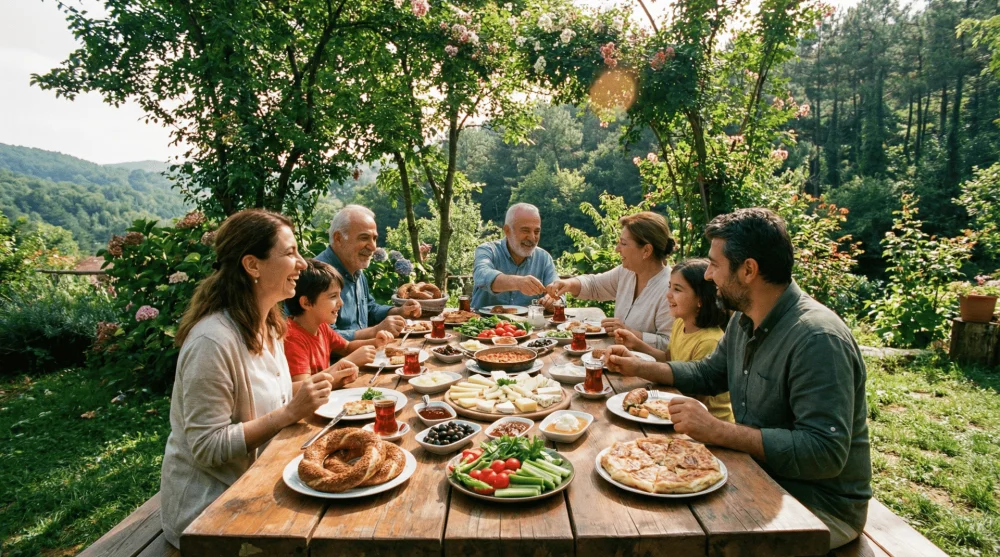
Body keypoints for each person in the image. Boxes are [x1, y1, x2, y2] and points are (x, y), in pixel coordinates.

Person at [605, 208, 871, 550]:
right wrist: (639, 366)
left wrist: (719, 431)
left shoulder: (817, 338)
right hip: (756, 473)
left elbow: (824, 452)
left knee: (666, 538)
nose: (710, 275)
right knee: (642, 520)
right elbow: (709, 373)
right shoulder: (745, 320)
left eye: (715, 265)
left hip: (817, 506)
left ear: (748, 270)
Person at [160, 209, 359, 547]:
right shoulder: (212, 341)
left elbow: (280, 403)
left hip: (264, 482)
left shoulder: (269, 325)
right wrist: (289, 412)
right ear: (252, 265)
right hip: (211, 514)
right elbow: (207, 447)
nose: (301, 264)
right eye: (289, 253)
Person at [614, 258, 733, 422]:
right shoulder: (679, 324)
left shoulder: (709, 341)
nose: (668, 294)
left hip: (709, 425)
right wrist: (637, 344)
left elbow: (696, 397)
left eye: (677, 289)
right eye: (669, 286)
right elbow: (669, 358)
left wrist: (642, 374)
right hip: (677, 411)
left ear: (700, 300)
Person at [544, 212, 675, 349]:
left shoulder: (671, 289)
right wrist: (568, 284)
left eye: (623, 244)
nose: (617, 249)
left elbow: (670, 346)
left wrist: (631, 333)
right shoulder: (626, 272)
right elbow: (595, 285)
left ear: (646, 250)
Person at [315, 204, 420, 341]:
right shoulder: (317, 276)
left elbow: (369, 309)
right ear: (338, 238)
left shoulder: (356, 269)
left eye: (374, 238)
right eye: (364, 238)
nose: (373, 247)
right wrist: (375, 331)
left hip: (365, 355)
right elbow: (323, 338)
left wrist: (399, 311)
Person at [285, 259, 395, 379]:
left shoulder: (321, 326)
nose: (341, 303)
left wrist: (375, 342)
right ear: (306, 303)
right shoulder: (292, 339)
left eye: (340, 295)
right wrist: (349, 361)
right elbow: (302, 388)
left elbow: (346, 347)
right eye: (333, 296)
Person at [472, 203, 559, 309]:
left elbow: (558, 291)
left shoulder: (544, 258)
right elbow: (482, 275)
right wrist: (518, 282)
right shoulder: (487, 250)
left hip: (529, 324)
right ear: (507, 231)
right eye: (525, 230)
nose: (532, 237)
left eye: (537, 231)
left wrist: (553, 299)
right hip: (484, 323)